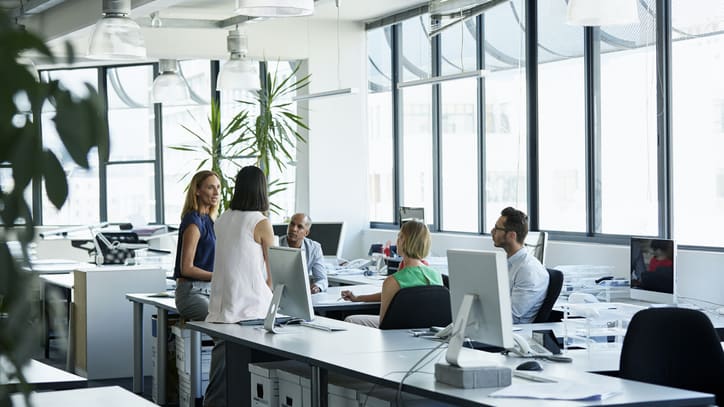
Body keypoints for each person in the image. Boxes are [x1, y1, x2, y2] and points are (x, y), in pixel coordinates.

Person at [203, 166, 275, 407]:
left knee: (222, 374)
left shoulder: (223, 218)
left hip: (222, 308)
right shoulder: (260, 222)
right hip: (249, 310)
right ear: (261, 190)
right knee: (245, 375)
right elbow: (273, 272)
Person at [341, 220, 443, 328]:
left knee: (350, 320)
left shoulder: (393, 281)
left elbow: (384, 324)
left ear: (403, 240)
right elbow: (394, 295)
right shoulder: (436, 275)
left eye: (399, 236)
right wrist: (358, 298)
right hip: (427, 334)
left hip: (398, 334)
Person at [173, 170, 220, 321]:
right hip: (191, 293)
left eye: (218, 187)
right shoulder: (194, 222)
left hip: (208, 291)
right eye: (210, 187)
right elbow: (186, 268)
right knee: (223, 327)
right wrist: (218, 276)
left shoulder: (208, 220)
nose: (216, 192)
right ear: (198, 191)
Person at [491, 206, 549, 324]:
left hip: (514, 334)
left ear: (511, 235)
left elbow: (511, 316)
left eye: (497, 228)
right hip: (492, 325)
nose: (492, 231)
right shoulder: (507, 263)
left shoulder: (529, 270)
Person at [278, 213, 328, 293]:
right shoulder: (275, 244)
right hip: (277, 291)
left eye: (300, 227)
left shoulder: (314, 248)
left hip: (301, 293)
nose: (294, 229)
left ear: (306, 233)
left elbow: (322, 279)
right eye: (292, 224)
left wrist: (317, 287)